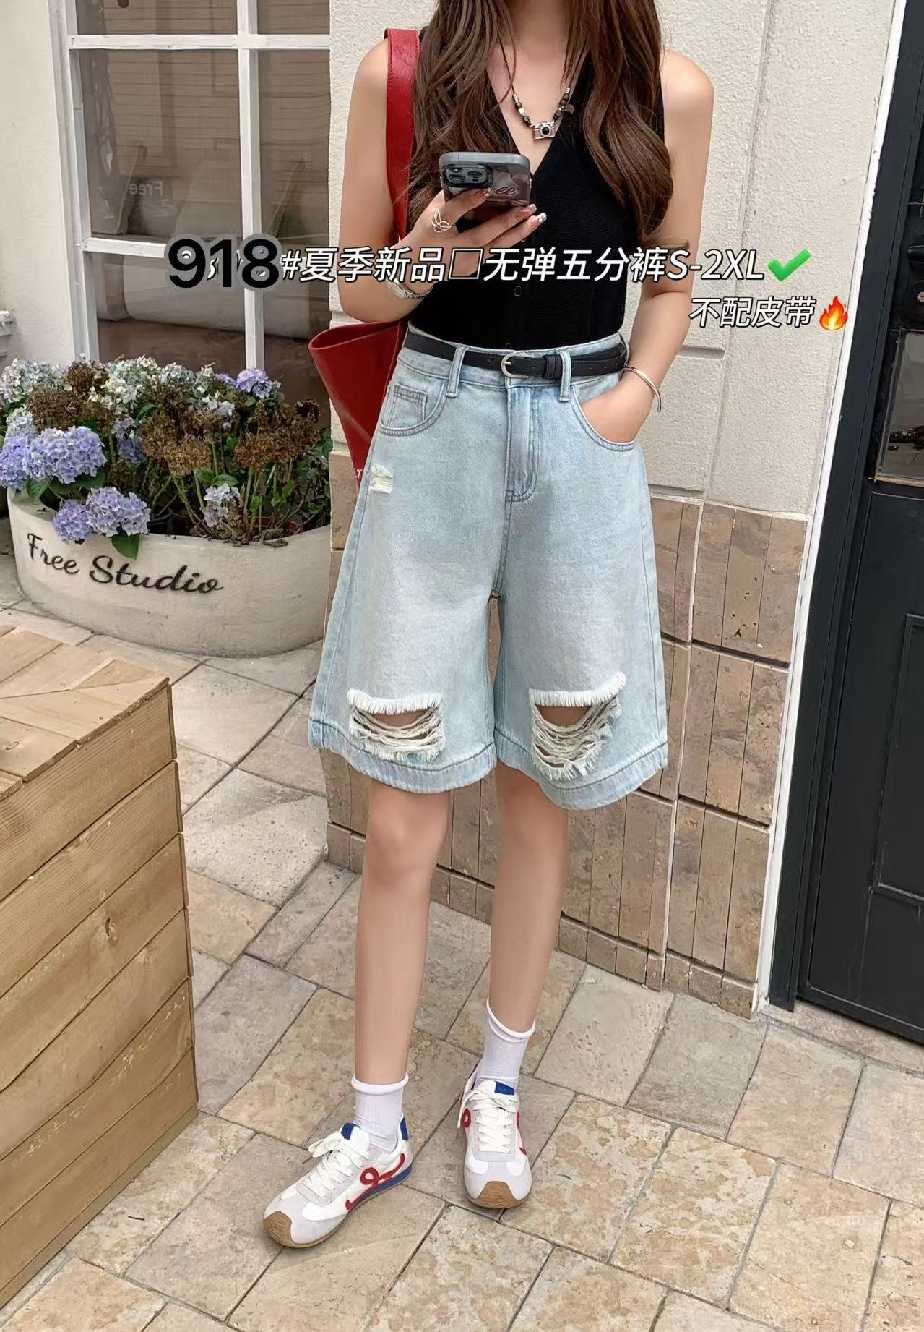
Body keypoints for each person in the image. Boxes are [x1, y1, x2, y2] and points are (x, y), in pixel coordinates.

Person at [264, 0, 713, 1247]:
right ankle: (375, 1126)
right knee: (401, 808)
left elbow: (673, 277)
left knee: (541, 786)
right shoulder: (405, 72)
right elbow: (355, 288)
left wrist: (628, 400)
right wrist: (427, 253)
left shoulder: (666, 90)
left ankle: (496, 1092)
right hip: (436, 429)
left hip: (581, 438)